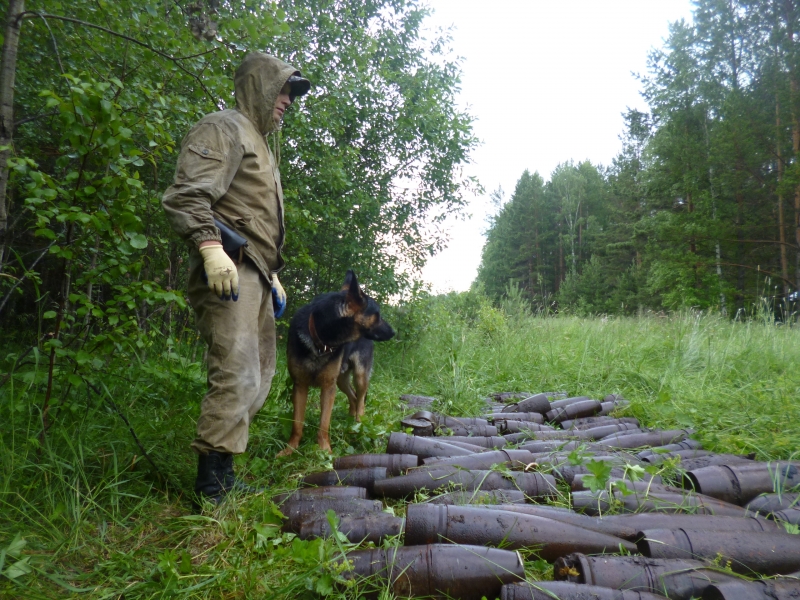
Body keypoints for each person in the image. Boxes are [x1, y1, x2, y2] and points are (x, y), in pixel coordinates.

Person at [162, 53, 310, 504]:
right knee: (236, 370)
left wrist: (272, 275)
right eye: (283, 90)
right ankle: (210, 487)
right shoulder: (224, 127)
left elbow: (254, 218)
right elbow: (187, 195)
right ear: (260, 87)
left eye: (292, 94)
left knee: (260, 373)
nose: (287, 100)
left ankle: (223, 470)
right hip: (228, 269)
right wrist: (210, 248)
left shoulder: (263, 144)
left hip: (256, 273)